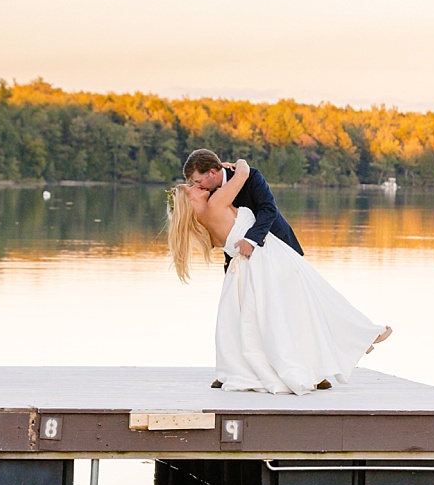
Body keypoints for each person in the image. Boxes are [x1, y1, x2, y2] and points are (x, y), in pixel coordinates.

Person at [167, 156, 391, 395]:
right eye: (192, 186)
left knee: (274, 316)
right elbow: (241, 173)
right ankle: (355, 339)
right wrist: (241, 163)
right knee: (300, 307)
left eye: (196, 181)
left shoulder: (202, 219)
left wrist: (250, 239)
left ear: (212, 172)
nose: (196, 186)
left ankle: (323, 360)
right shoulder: (215, 202)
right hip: (262, 260)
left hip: (264, 254)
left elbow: (267, 210)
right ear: (190, 201)